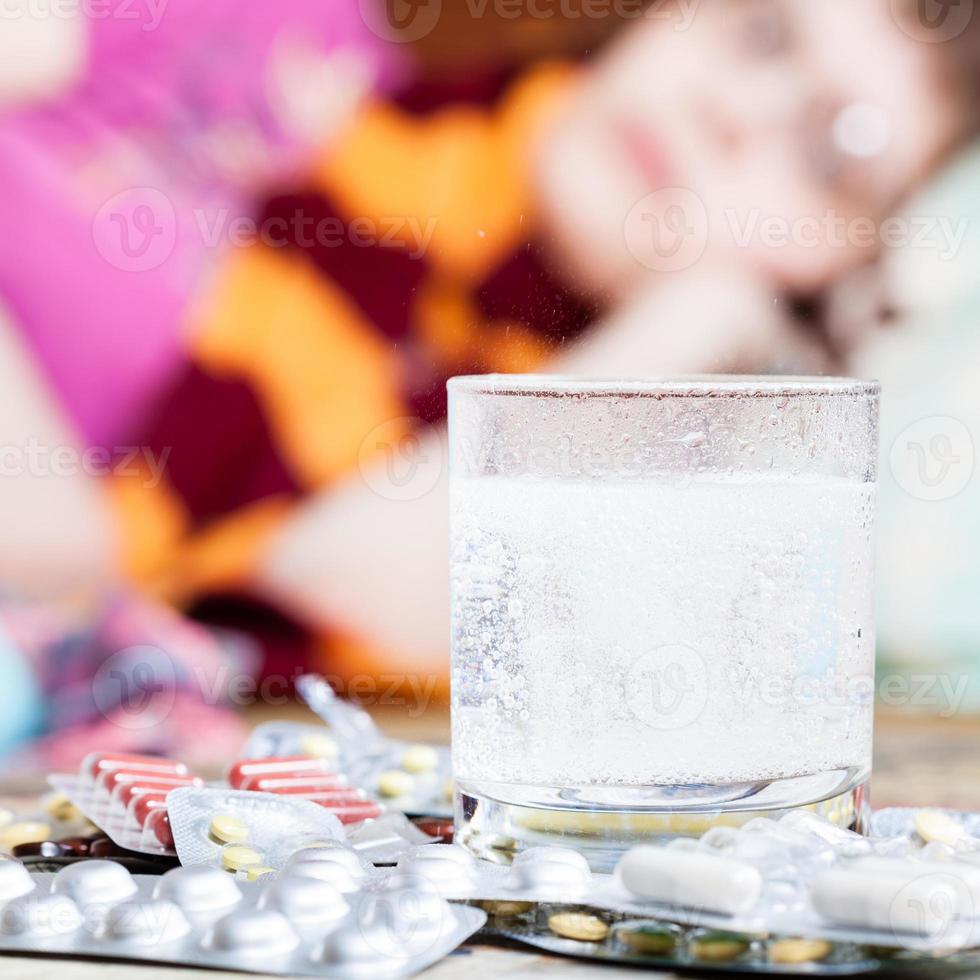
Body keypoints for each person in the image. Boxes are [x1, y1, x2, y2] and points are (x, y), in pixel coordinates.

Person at [0, 0, 977, 703]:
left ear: (846, 274)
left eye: (827, 154)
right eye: (758, 33)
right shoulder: (294, 49)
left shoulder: (645, 501)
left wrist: (695, 322)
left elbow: (344, 585)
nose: (735, 114)